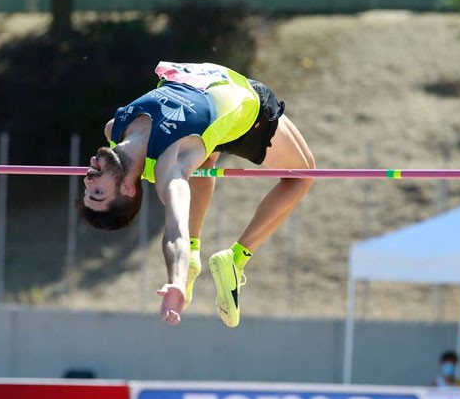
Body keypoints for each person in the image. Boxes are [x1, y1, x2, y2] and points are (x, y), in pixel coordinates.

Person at [79, 62, 315, 327]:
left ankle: (194, 255)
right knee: (303, 176)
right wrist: (176, 281)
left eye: (86, 189)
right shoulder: (170, 167)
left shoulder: (115, 128)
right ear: (127, 189)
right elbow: (175, 232)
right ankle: (235, 259)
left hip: (214, 97)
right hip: (250, 113)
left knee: (204, 160)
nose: (88, 180)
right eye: (97, 193)